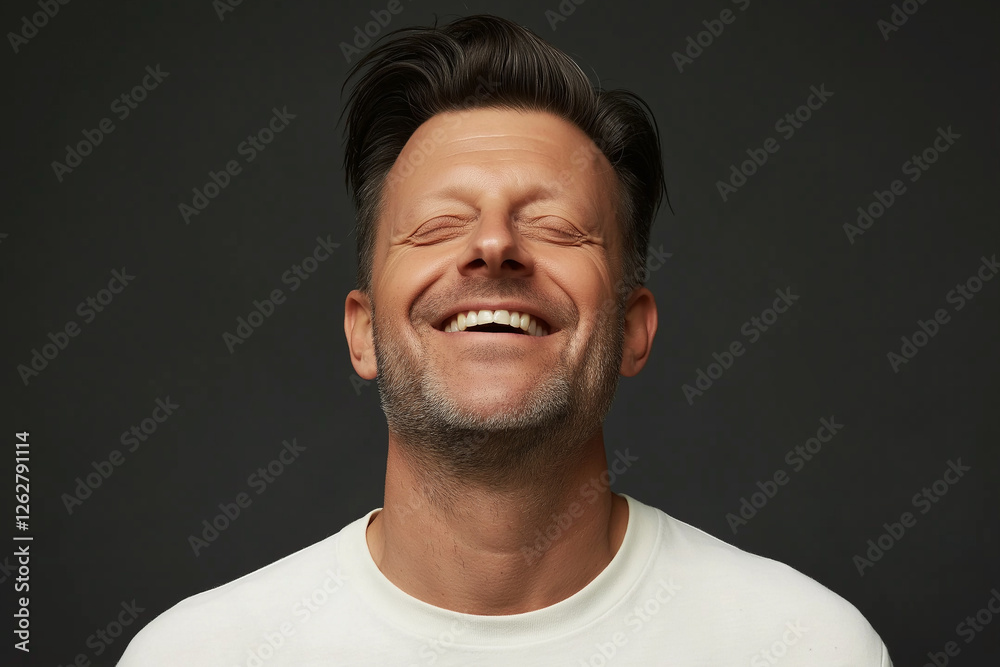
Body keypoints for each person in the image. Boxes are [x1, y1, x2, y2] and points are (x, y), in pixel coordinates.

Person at [119, 14, 893, 666]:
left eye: (554, 225)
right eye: (438, 225)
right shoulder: (194, 654)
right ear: (362, 330)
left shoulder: (808, 646)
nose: (493, 244)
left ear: (633, 329)